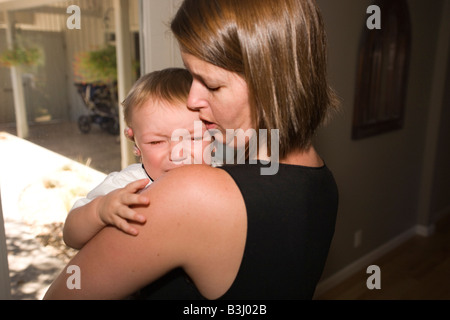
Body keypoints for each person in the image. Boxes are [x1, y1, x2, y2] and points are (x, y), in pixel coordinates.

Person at [44, 0, 339, 300]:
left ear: (271, 81)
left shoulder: (195, 191)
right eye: (191, 75)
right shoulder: (321, 179)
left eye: (211, 85)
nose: (193, 99)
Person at [63, 68, 211, 250]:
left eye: (194, 138)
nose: (177, 154)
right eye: (156, 142)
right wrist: (100, 211)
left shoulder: (224, 175)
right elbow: (71, 236)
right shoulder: (129, 187)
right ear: (136, 145)